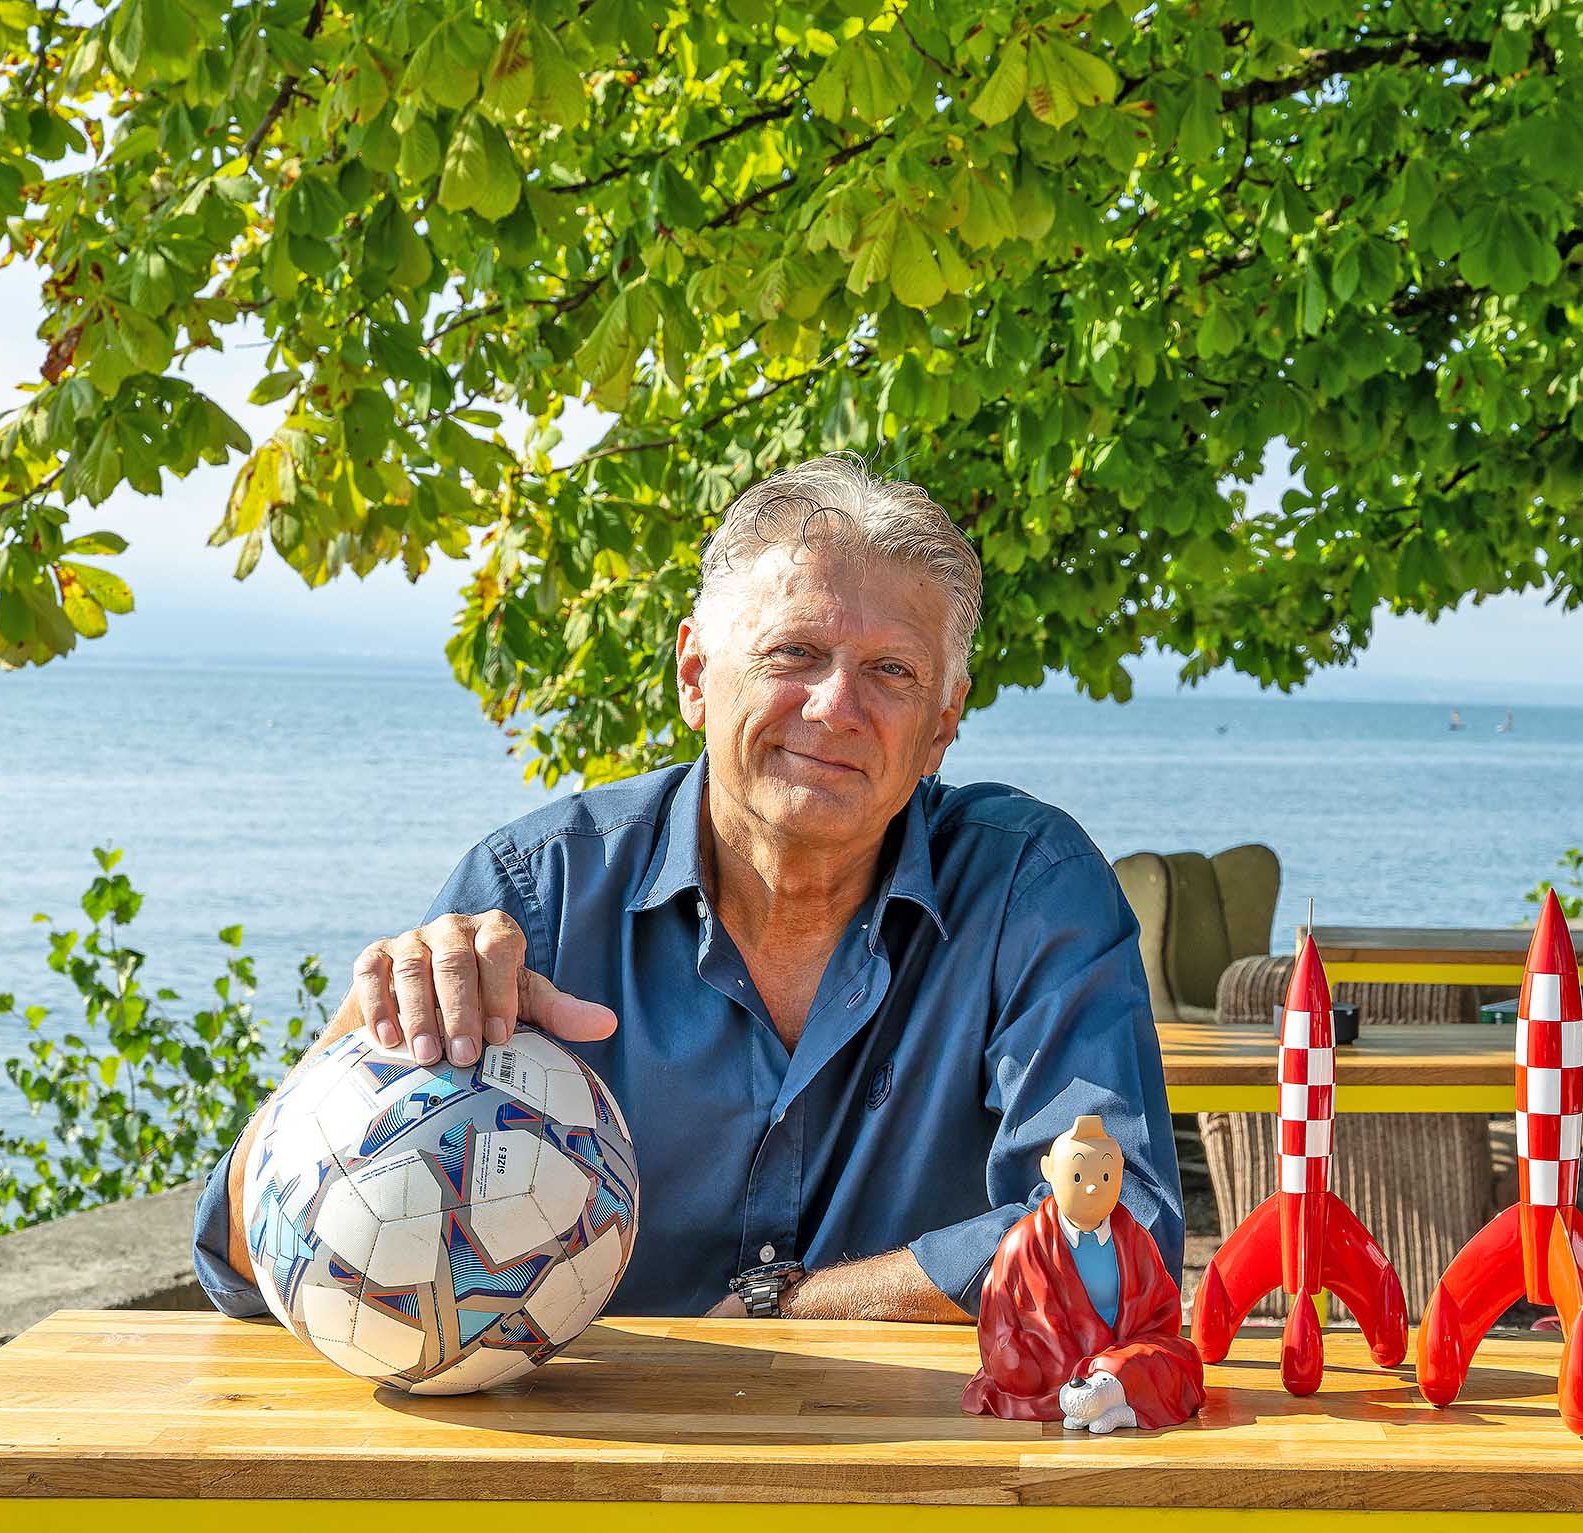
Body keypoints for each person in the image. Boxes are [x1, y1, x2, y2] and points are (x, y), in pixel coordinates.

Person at [191, 455, 1183, 1323]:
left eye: (891, 672)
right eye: (795, 652)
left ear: (941, 730)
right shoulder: (537, 894)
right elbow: (241, 1262)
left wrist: (792, 1309)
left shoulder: (1027, 890)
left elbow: (1123, 1240)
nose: (836, 705)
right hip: (583, 1479)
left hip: (907, 1470)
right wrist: (364, 1029)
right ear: (694, 675)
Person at [963, 1114, 1204, 1431]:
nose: (1092, 1187)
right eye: (1078, 1177)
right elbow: (1000, 1323)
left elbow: (1161, 1316)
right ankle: (1110, 1394)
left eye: (1105, 1177)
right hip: (1053, 1362)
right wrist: (1021, 1360)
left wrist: (1125, 1353)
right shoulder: (1024, 1243)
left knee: (1182, 1357)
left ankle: (1109, 1395)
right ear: (1049, 1171)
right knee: (1027, 1369)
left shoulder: (1135, 1239)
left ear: (1119, 1175)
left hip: (1123, 1356)